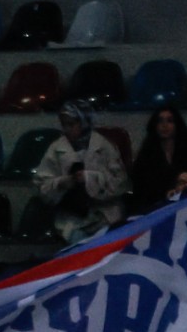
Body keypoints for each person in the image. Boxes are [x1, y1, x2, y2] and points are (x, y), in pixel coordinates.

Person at [34, 98, 127, 243]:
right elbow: (42, 185)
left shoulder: (104, 146)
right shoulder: (56, 148)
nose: (67, 129)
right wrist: (62, 183)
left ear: (84, 123)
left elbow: (120, 183)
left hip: (105, 215)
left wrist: (90, 178)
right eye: (64, 124)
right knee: (76, 243)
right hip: (70, 219)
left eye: (71, 124)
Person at [129, 104, 187, 214]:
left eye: (170, 121)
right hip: (156, 209)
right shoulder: (146, 155)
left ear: (177, 125)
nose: (165, 125)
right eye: (160, 121)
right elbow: (141, 190)